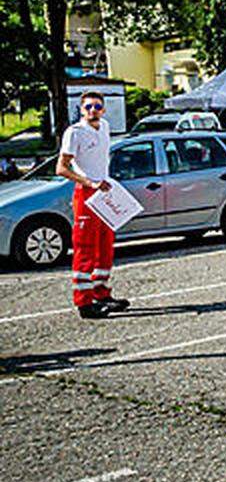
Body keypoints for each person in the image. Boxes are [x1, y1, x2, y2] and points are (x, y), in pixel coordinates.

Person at [57, 91, 129, 319]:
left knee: (104, 246)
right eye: (88, 107)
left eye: (97, 106)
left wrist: (105, 181)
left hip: (103, 192)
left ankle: (101, 293)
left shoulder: (104, 126)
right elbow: (62, 168)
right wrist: (90, 182)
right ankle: (84, 303)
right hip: (86, 193)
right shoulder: (74, 132)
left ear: (104, 109)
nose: (93, 111)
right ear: (80, 109)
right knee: (85, 247)